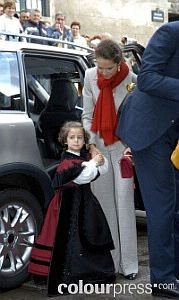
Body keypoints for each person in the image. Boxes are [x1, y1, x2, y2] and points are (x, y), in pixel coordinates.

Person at [116, 21, 179, 298]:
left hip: (174, 134)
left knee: (176, 208)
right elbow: (148, 78)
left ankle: (173, 272)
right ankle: (163, 281)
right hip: (150, 130)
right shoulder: (171, 32)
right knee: (163, 208)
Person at [28, 121, 115, 296]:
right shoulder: (67, 162)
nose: (76, 140)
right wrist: (93, 163)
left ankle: (90, 272)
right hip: (66, 207)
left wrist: (96, 156)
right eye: (72, 137)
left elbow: (102, 169)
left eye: (80, 137)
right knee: (68, 239)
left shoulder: (83, 158)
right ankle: (69, 275)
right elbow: (82, 177)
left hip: (84, 204)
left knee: (88, 234)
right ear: (65, 140)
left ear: (84, 140)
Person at [82, 39, 138, 279]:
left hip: (122, 149)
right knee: (105, 208)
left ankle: (130, 266)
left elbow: (137, 119)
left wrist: (131, 147)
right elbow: (86, 114)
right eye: (99, 66)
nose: (102, 72)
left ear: (119, 63)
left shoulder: (132, 80)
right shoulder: (89, 76)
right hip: (99, 149)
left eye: (108, 68)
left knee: (124, 204)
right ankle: (111, 264)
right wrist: (92, 146)